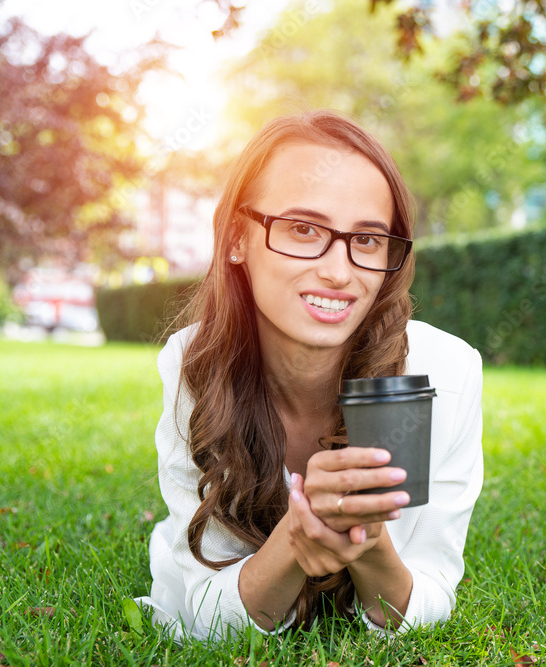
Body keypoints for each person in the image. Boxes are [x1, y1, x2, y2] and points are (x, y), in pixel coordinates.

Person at [135, 110, 484, 641]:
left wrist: (370, 544)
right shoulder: (194, 362)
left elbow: (431, 590)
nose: (339, 272)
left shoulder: (446, 372)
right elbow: (207, 609)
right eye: (302, 229)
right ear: (235, 238)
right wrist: (297, 537)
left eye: (367, 240)